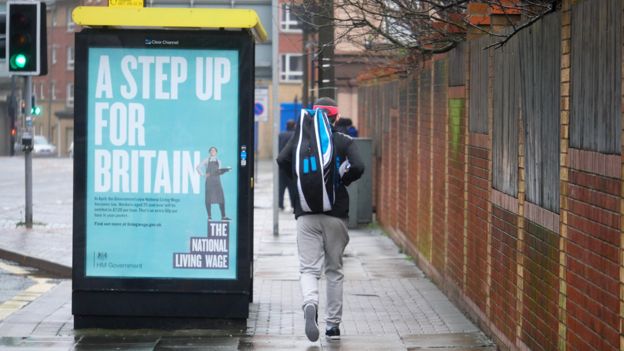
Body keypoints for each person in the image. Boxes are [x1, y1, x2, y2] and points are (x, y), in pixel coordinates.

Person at [277, 97, 364, 342]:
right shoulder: (344, 140)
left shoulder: (299, 140)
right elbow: (359, 165)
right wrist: (343, 180)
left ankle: (309, 304)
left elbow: (282, 160)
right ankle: (333, 326)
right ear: (335, 117)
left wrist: (298, 187)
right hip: (336, 215)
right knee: (334, 270)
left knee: (308, 268)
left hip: (306, 214)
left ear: (314, 116)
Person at [196, 146, 231, 221]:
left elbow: (219, 172)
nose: (213, 152)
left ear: (216, 152)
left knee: (221, 198)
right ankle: (209, 216)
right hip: (209, 181)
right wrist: (203, 175)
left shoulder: (219, 161)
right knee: (208, 198)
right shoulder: (206, 160)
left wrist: (225, 170)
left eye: (214, 151)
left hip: (217, 181)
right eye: (211, 150)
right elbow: (198, 167)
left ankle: (223, 216)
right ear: (209, 152)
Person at [278, 119, 297, 210]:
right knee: (292, 187)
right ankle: (293, 204)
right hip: (291, 165)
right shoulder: (295, 135)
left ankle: (280, 204)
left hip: (281, 164)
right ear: (294, 126)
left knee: (281, 187)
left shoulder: (281, 135)